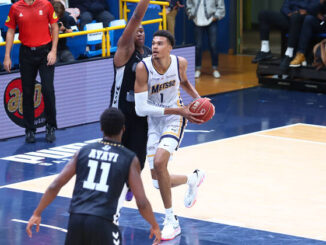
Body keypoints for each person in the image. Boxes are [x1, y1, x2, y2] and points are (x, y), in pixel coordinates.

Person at [26, 107, 161, 245]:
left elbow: (55, 185)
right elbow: (142, 202)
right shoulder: (129, 158)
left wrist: (37, 213)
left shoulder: (83, 151)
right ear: (123, 129)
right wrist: (154, 225)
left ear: (101, 128)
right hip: (104, 222)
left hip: (76, 220)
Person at [134, 30, 207, 240]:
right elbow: (140, 109)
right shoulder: (143, 68)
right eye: (153, 43)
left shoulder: (180, 63)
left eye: (160, 43)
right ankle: (192, 179)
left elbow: (183, 82)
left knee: (159, 163)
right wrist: (178, 110)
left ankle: (171, 221)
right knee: (158, 181)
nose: (155, 47)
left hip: (174, 119)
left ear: (170, 48)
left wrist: (199, 100)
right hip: (154, 120)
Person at [110, 0, 152, 200]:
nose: (140, 32)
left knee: (139, 158)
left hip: (140, 113)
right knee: (116, 157)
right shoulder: (124, 51)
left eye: (143, 30)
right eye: (136, 30)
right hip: (119, 114)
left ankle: (129, 185)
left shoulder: (151, 56)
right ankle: (111, 190)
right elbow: (135, 18)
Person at [3, 0, 59, 143]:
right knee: (27, 92)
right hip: (26, 53)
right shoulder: (15, 8)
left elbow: (54, 27)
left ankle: (51, 126)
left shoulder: (46, 4)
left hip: (45, 52)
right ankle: (29, 130)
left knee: (47, 89)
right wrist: (7, 56)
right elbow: (10, 31)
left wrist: (53, 51)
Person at [251, 0, 318, 73]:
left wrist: (304, 12)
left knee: (296, 17)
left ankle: (289, 54)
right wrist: (289, 13)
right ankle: (265, 50)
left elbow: (315, 7)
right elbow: (284, 7)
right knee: (263, 14)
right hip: (290, 17)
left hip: (304, 21)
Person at [186, 0, 225, 79]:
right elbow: (188, 5)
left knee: (213, 45)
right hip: (197, 22)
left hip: (211, 22)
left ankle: (215, 69)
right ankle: (198, 69)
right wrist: (191, 14)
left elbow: (221, 7)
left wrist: (216, 17)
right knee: (198, 46)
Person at [290, 0, 326, 67]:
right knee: (308, 19)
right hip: (321, 23)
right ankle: (301, 54)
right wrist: (320, 2)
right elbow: (309, 9)